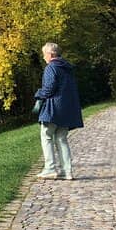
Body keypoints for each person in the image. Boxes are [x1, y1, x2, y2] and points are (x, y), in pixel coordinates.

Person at [33, 42, 83, 180]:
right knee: (62, 139)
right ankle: (67, 171)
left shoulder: (51, 67)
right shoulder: (68, 68)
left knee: (46, 135)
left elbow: (49, 89)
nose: (43, 57)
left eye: (44, 54)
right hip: (66, 108)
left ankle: (50, 168)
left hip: (53, 108)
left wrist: (38, 94)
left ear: (50, 54)